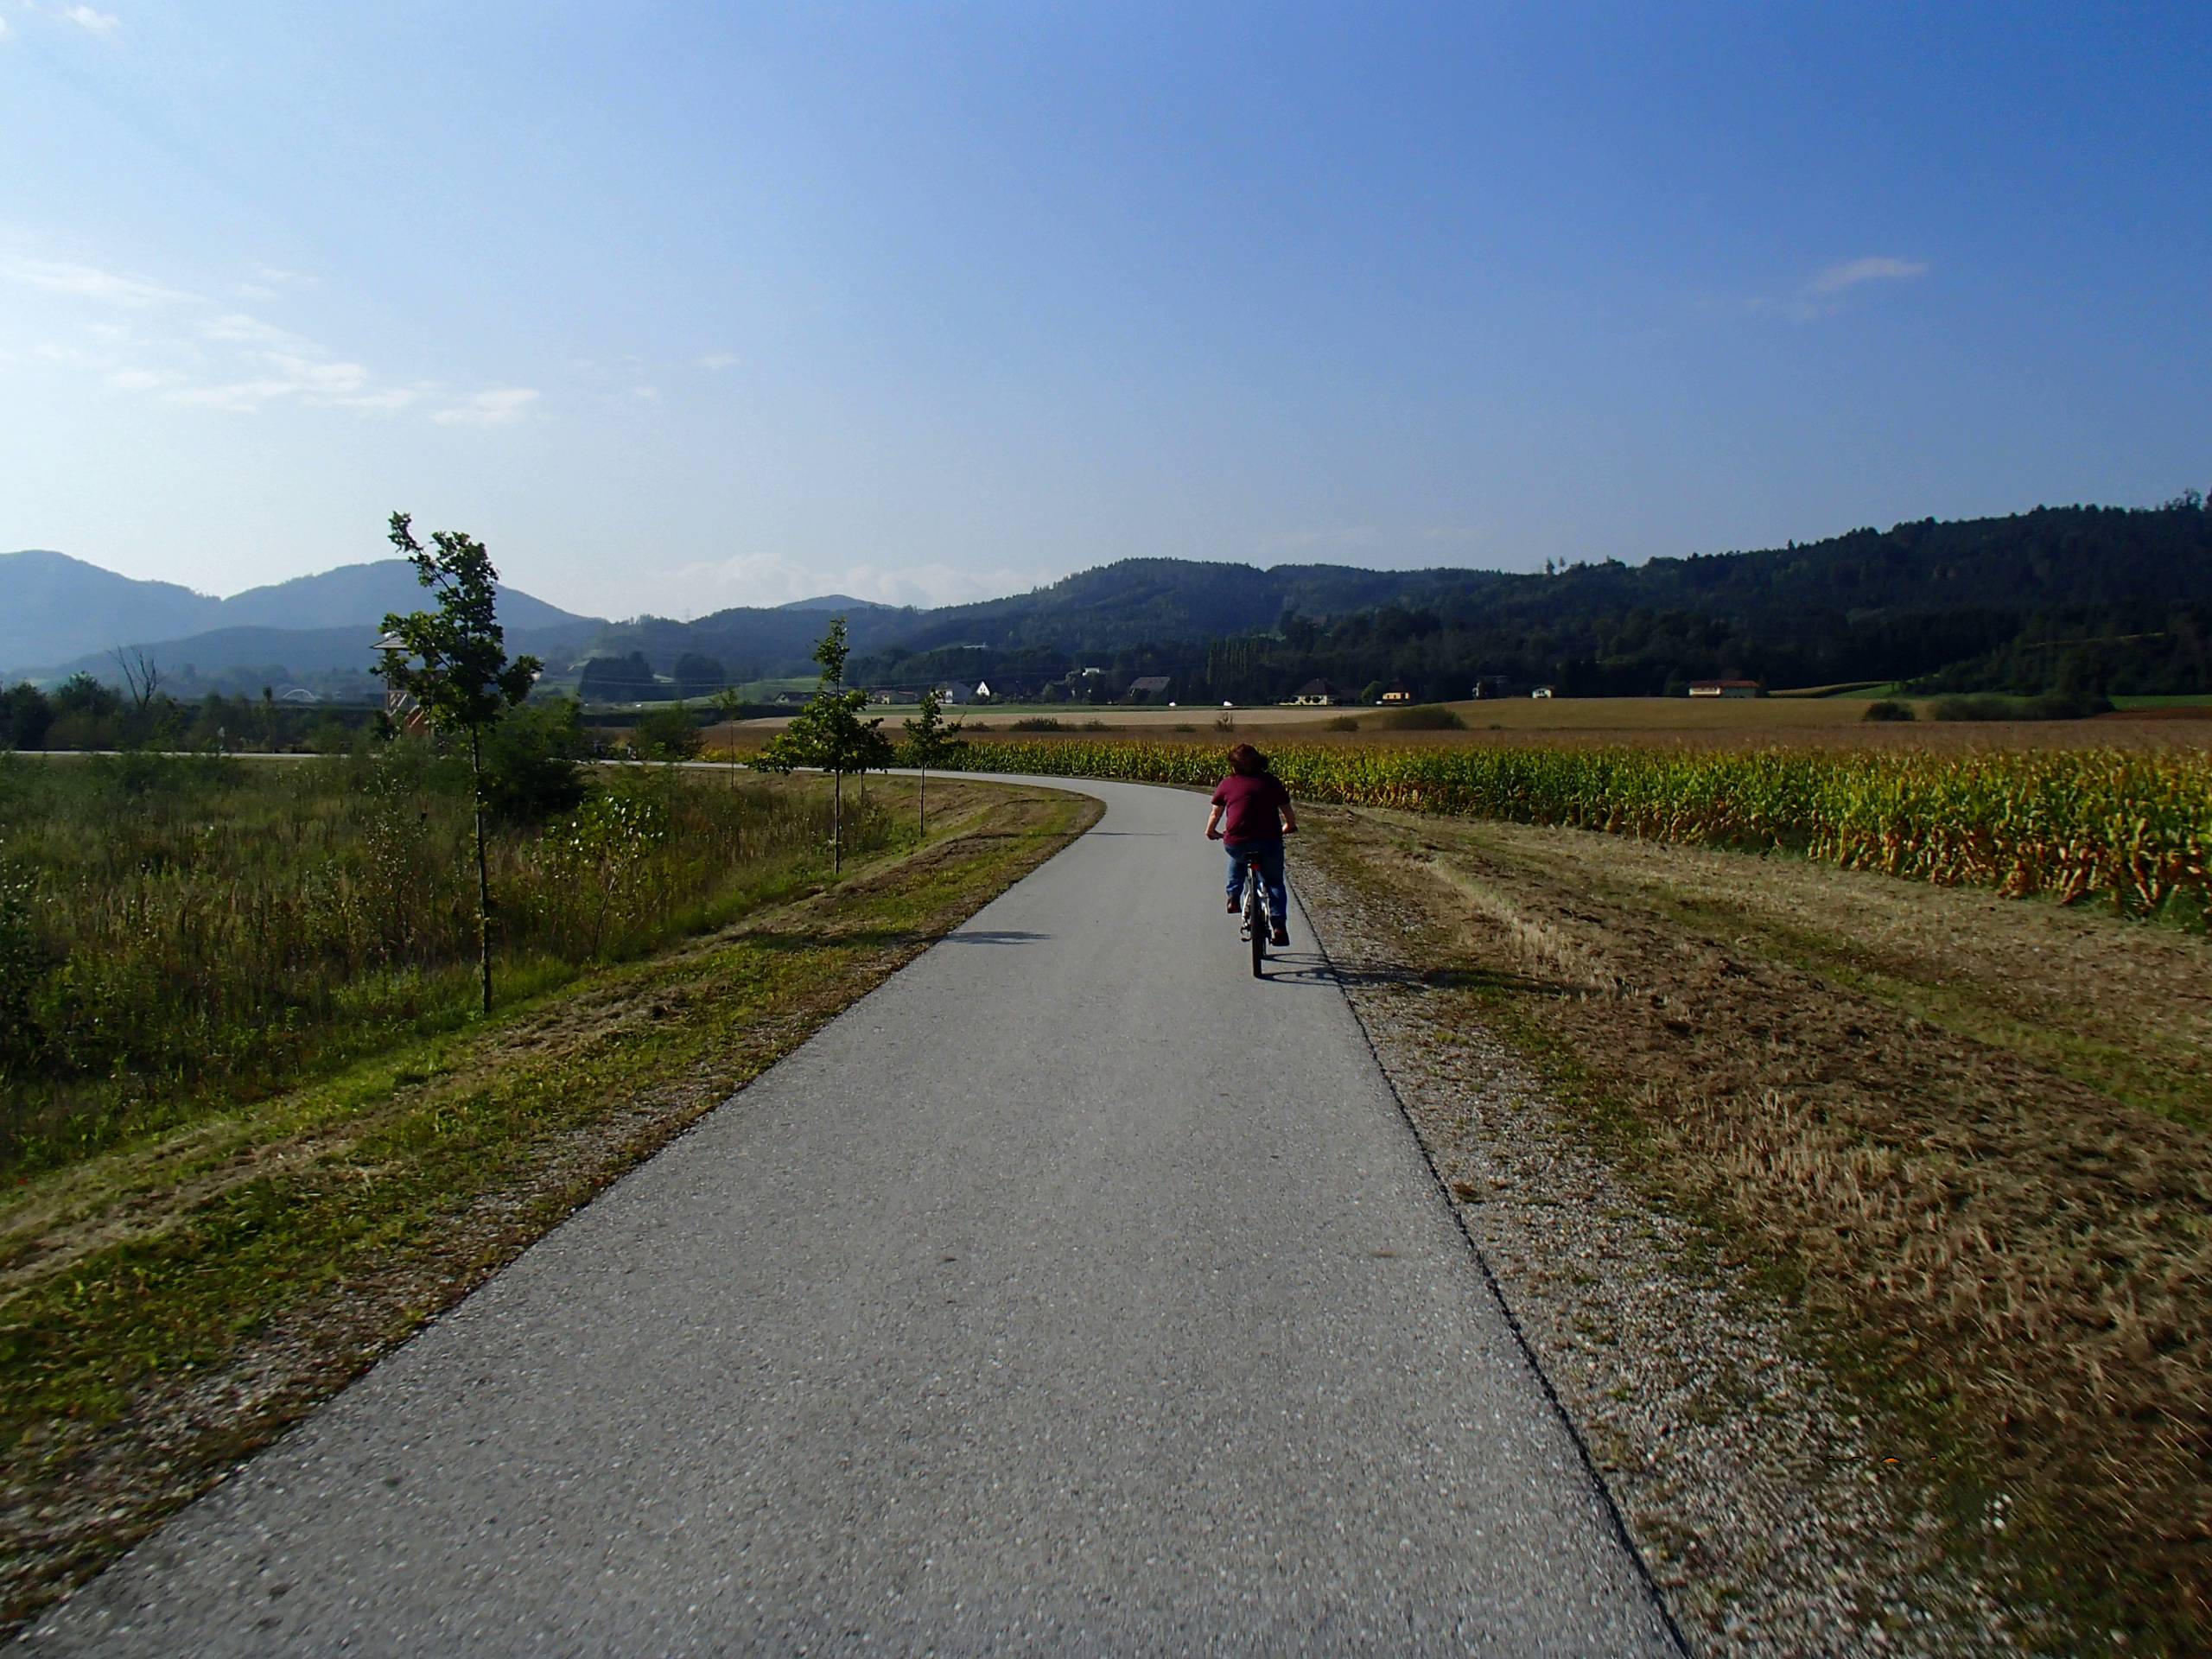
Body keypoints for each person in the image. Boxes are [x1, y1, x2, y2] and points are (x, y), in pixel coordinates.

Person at [1205, 742, 1297, 946]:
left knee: (1236, 856)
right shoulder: (1271, 782)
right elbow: (1287, 810)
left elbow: (1216, 813)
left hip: (1237, 841)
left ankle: (1233, 896)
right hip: (1269, 841)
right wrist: (1290, 826)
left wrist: (1211, 831)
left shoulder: (1227, 784)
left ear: (1233, 766)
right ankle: (1279, 926)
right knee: (1274, 882)